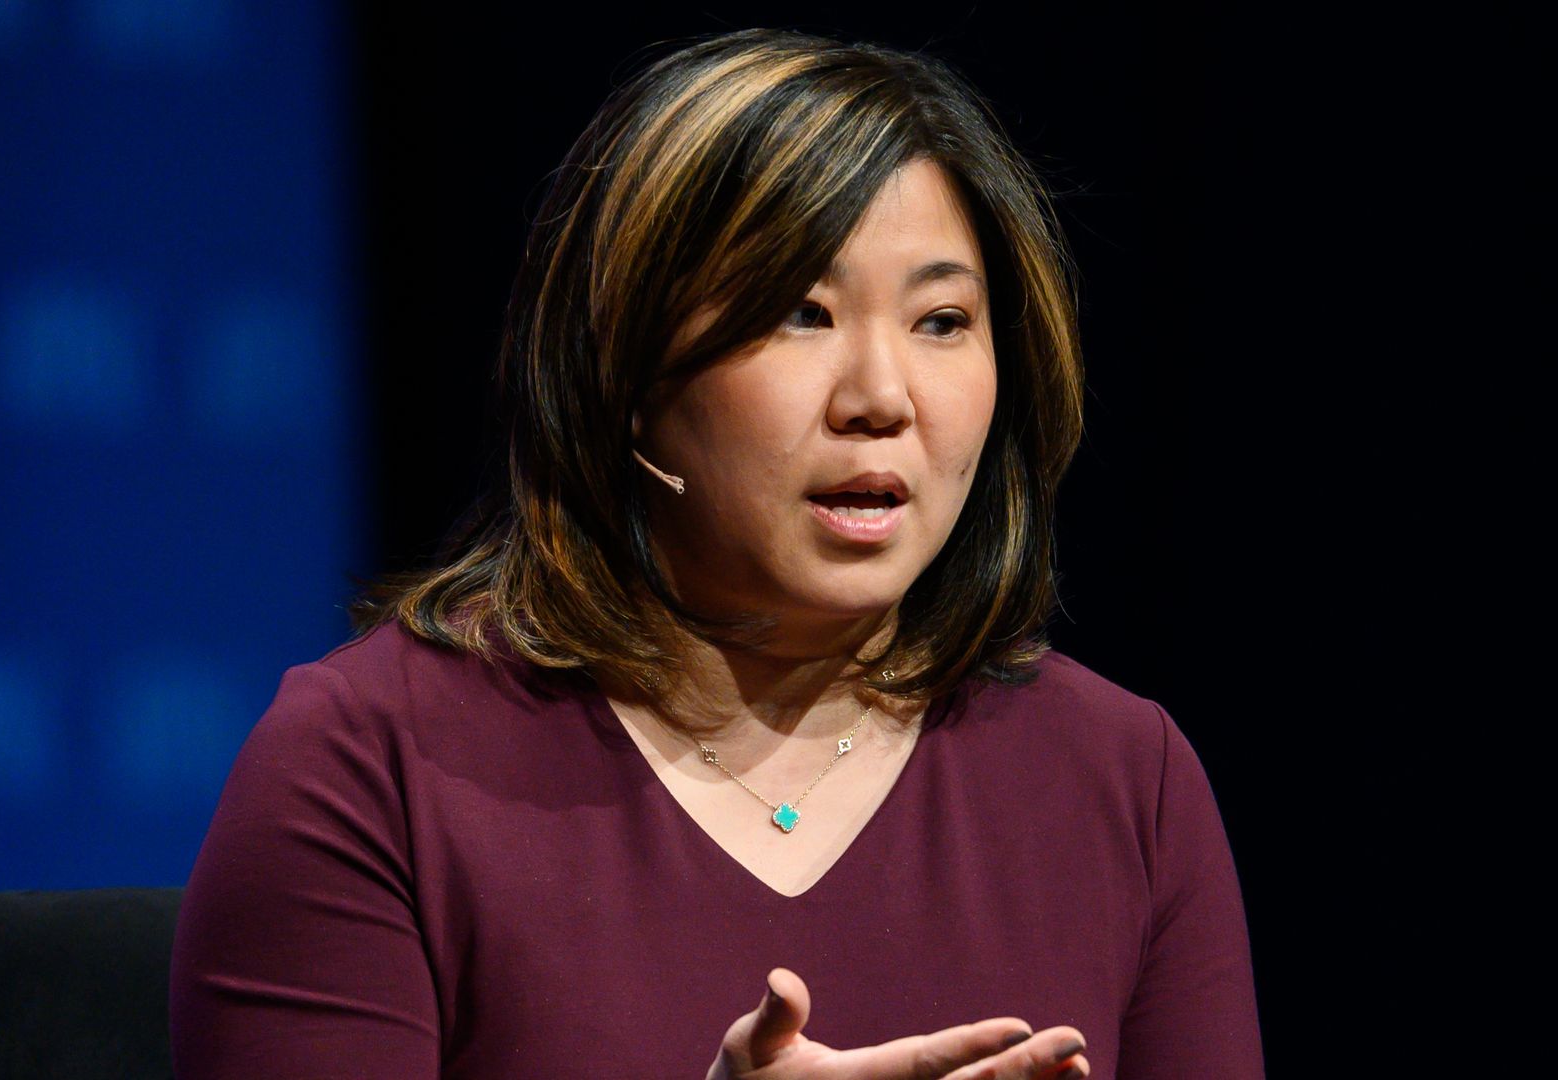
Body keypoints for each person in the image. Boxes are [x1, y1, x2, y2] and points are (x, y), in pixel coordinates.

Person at [168, 26, 1263, 1080]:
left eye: (940, 321)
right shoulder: (371, 769)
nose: (882, 398)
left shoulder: (1122, 784)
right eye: (799, 312)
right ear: (631, 376)